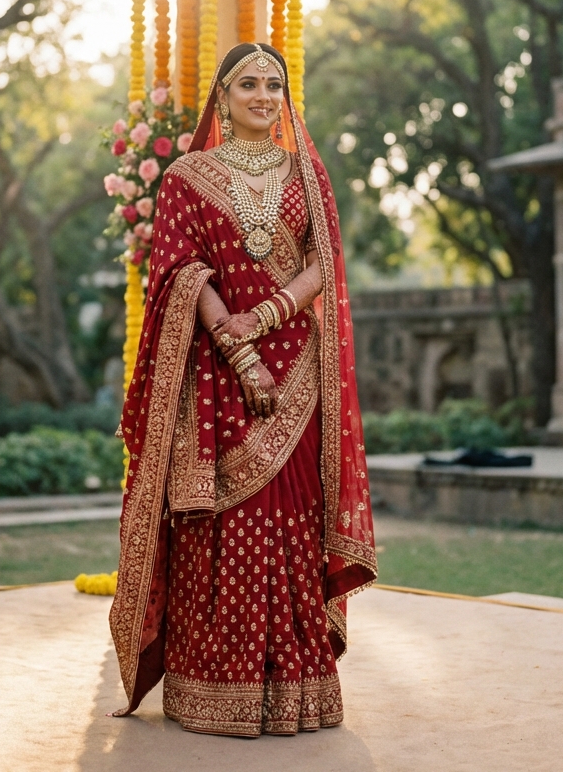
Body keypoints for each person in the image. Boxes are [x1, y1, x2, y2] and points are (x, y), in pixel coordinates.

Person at [109, 42, 376, 737]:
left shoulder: (306, 174)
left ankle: (293, 692)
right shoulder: (186, 177)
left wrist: (268, 317)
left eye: (274, 85)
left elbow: (325, 262)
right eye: (248, 84)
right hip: (216, 382)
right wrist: (235, 342)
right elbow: (178, 271)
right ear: (221, 99)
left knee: (289, 523)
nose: (263, 95)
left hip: (296, 372)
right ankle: (209, 690)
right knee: (217, 527)